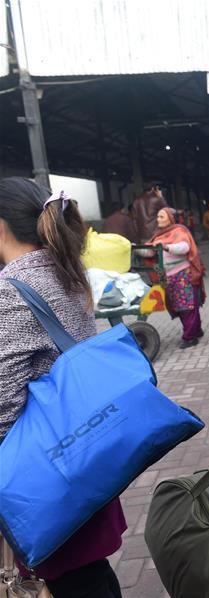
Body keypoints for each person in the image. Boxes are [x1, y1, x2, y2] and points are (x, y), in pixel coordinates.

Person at [0, 177, 125, 597]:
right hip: (84, 453)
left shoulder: (11, 291)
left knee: (76, 583)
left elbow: (2, 408)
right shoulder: (63, 270)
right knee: (92, 577)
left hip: (47, 477)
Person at [139, 208, 206, 349]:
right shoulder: (158, 235)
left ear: (170, 218)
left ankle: (189, 337)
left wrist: (166, 247)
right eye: (157, 216)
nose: (158, 219)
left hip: (183, 274)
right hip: (167, 278)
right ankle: (196, 330)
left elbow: (185, 247)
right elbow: (150, 252)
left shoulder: (179, 231)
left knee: (187, 307)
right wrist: (134, 248)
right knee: (179, 306)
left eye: (161, 216)